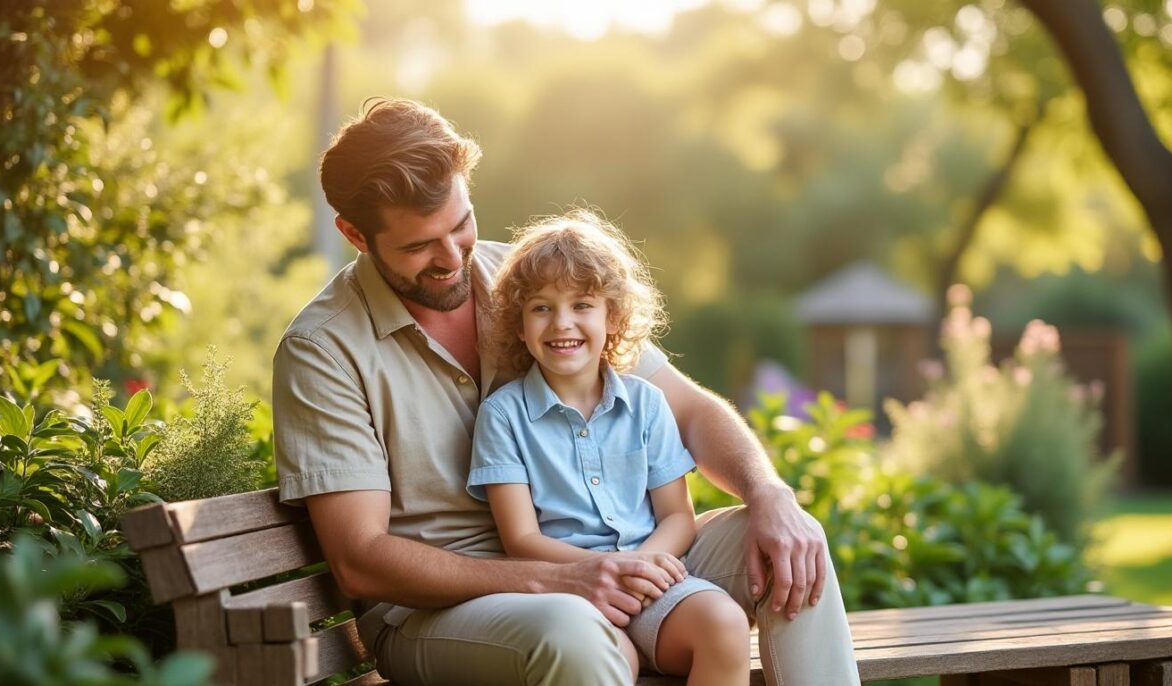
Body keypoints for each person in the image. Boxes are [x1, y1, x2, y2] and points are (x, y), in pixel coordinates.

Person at [273, 96, 860, 686]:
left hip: (613, 557)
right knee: (572, 630)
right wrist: (560, 579)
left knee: (791, 548)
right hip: (440, 610)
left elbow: (690, 410)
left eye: (460, 225)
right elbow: (360, 559)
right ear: (355, 234)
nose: (451, 258)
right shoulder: (324, 350)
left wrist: (769, 493)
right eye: (418, 245)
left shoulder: (531, 283)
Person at [468, 212, 751, 684]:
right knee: (603, 659)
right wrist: (607, 568)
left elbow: (677, 516)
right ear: (519, 325)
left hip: (652, 580)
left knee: (723, 623)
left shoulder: (647, 403)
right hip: (568, 591)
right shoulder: (502, 415)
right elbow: (521, 540)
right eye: (541, 308)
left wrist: (641, 566)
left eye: (582, 304)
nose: (562, 323)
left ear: (612, 317)